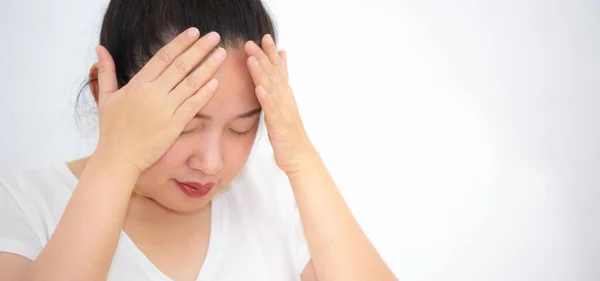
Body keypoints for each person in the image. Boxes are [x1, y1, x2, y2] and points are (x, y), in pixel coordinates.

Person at [0, 0, 397, 280]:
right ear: (105, 92)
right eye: (185, 125)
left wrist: (301, 158)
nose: (211, 163)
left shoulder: (277, 197)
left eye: (242, 127)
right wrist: (115, 163)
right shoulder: (20, 203)